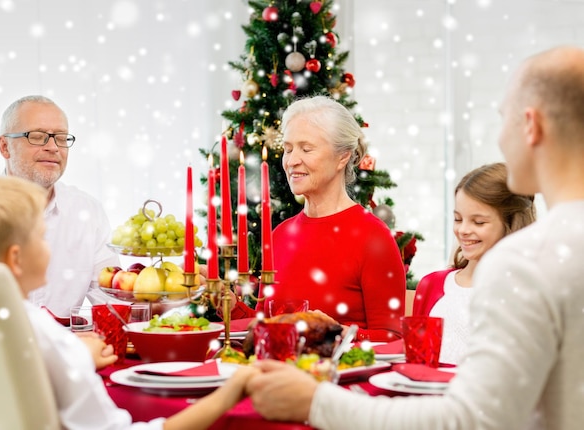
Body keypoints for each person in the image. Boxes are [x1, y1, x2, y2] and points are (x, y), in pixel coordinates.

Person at [245, 45, 584, 430]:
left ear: (532, 126)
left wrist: (316, 402)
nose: (502, 139)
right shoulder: (548, 254)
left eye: (503, 120)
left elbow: (474, 418)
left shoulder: (524, 262)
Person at [0, 175, 256, 430]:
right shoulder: (45, 336)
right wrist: (232, 391)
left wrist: (76, 354)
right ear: (16, 259)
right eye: (42, 237)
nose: (49, 246)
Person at [230, 95, 407, 342]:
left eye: (306, 148)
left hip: (337, 379)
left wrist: (335, 332)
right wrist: (229, 306)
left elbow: (393, 339)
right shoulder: (280, 234)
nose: (291, 161)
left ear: (342, 156)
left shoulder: (374, 238)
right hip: (280, 375)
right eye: (288, 149)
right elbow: (267, 326)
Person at [0, 95, 120, 318]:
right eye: (38, 137)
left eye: (62, 138)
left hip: (67, 350)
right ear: (5, 147)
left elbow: (113, 303)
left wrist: (164, 295)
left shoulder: (88, 212)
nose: (54, 147)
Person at [412, 162, 536, 364]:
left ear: (511, 224)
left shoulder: (524, 293)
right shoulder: (431, 285)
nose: (463, 230)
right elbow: (415, 365)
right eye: (458, 219)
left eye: (478, 222)